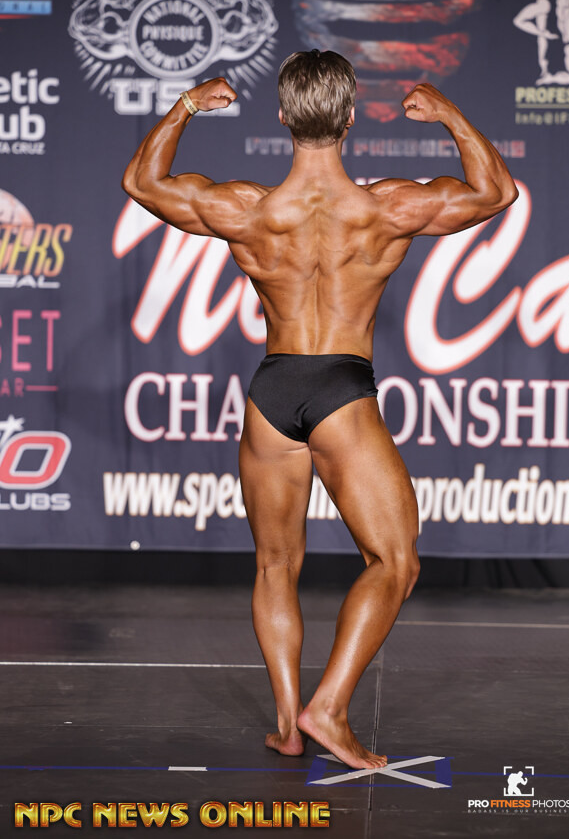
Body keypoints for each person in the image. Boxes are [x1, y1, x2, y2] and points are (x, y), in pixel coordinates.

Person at [122, 50, 517, 771]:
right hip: (341, 387)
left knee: (275, 564)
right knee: (394, 561)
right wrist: (450, 116)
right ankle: (326, 708)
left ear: (282, 116)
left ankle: (288, 724)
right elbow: (496, 193)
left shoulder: (248, 210)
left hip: (271, 393)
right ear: (351, 117)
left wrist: (187, 106)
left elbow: (142, 183)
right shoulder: (387, 208)